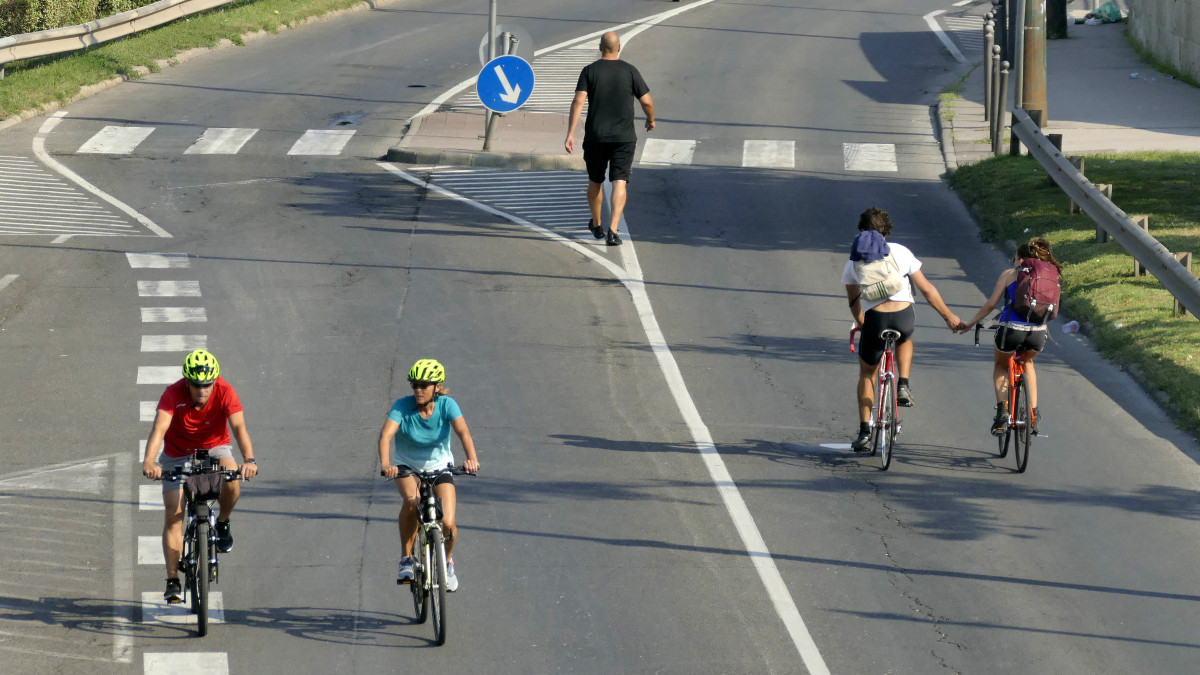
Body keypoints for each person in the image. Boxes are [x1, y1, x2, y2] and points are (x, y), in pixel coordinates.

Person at [844, 207, 964, 452]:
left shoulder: (854, 261)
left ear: (861, 230)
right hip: (903, 317)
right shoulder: (902, 252)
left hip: (875, 319)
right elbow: (928, 290)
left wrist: (862, 323)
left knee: (867, 374)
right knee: (905, 339)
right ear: (887, 229)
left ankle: (865, 431)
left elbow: (854, 302)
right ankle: (903, 384)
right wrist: (949, 317)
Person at [142, 349, 257, 604]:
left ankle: (224, 521)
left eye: (207, 385)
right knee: (174, 512)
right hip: (178, 453)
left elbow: (239, 427)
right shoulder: (172, 394)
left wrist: (248, 460)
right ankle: (172, 579)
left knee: (232, 481)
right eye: (196, 385)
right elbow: (159, 428)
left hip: (215, 446)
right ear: (187, 381)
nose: (203, 390)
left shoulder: (226, 391)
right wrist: (150, 461)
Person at [378, 359, 480, 592]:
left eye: (424, 385)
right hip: (407, 466)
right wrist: (386, 464)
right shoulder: (402, 406)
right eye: (415, 385)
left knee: (448, 522)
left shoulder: (447, 405)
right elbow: (385, 436)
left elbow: (463, 431)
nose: (418, 390)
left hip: (440, 466)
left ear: (437, 386)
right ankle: (406, 559)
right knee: (413, 502)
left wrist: (471, 459)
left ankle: (448, 562)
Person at [958, 237, 1061, 435]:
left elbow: (990, 305)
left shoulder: (1009, 274)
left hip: (1010, 330)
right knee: (1028, 363)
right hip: (1037, 332)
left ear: (1021, 260)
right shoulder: (1051, 277)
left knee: (1001, 365)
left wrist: (971, 323)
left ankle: (1002, 412)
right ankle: (1033, 413)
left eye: (1014, 259)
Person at [564, 31, 656, 247]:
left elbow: (578, 102)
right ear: (619, 47)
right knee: (619, 181)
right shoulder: (630, 71)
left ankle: (596, 225)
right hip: (623, 138)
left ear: (600, 47)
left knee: (595, 181)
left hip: (596, 136)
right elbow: (647, 102)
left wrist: (570, 133)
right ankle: (613, 231)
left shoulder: (589, 71)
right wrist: (650, 119)